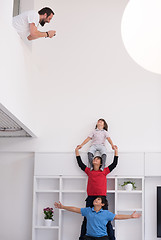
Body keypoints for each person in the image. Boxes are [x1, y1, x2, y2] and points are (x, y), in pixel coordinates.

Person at [75, 146, 118, 240]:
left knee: (107, 220)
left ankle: (112, 238)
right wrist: (77, 152)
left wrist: (116, 151)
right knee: (86, 219)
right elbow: (80, 164)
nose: (95, 159)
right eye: (94, 158)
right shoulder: (89, 171)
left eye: (98, 159)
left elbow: (114, 164)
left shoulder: (104, 171)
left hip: (101, 198)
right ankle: (82, 238)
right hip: (90, 198)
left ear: (101, 163)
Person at [54, 196, 141, 240]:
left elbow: (118, 216)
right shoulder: (88, 211)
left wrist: (130, 216)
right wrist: (63, 207)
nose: (96, 200)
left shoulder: (106, 213)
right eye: (96, 199)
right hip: (89, 237)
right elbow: (75, 209)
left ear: (102, 204)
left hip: (102, 238)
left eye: (99, 199)